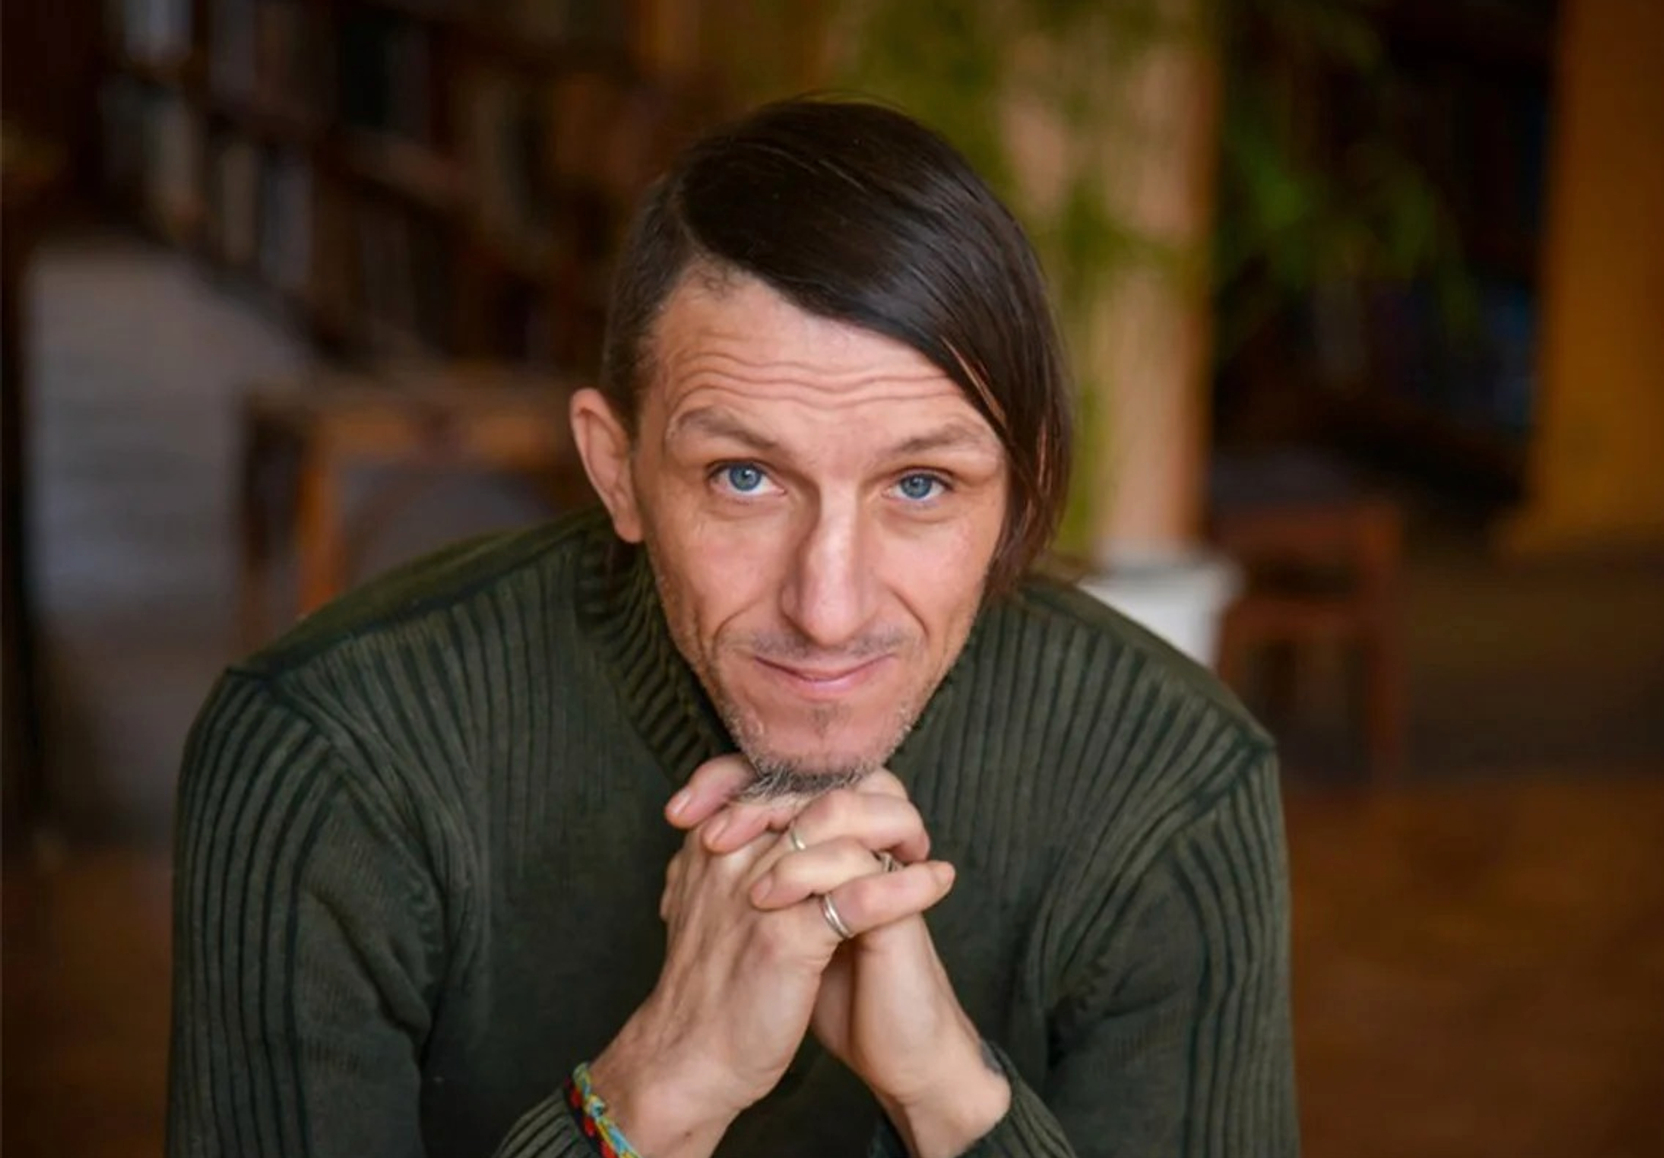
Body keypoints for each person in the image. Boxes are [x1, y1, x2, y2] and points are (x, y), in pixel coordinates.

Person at [168, 96, 1297, 1157]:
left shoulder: (1170, 782)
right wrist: (655, 1091)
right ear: (617, 469)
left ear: (1022, 485)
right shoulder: (328, 760)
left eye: (920, 485)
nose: (828, 609)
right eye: (744, 476)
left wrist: (950, 1097)